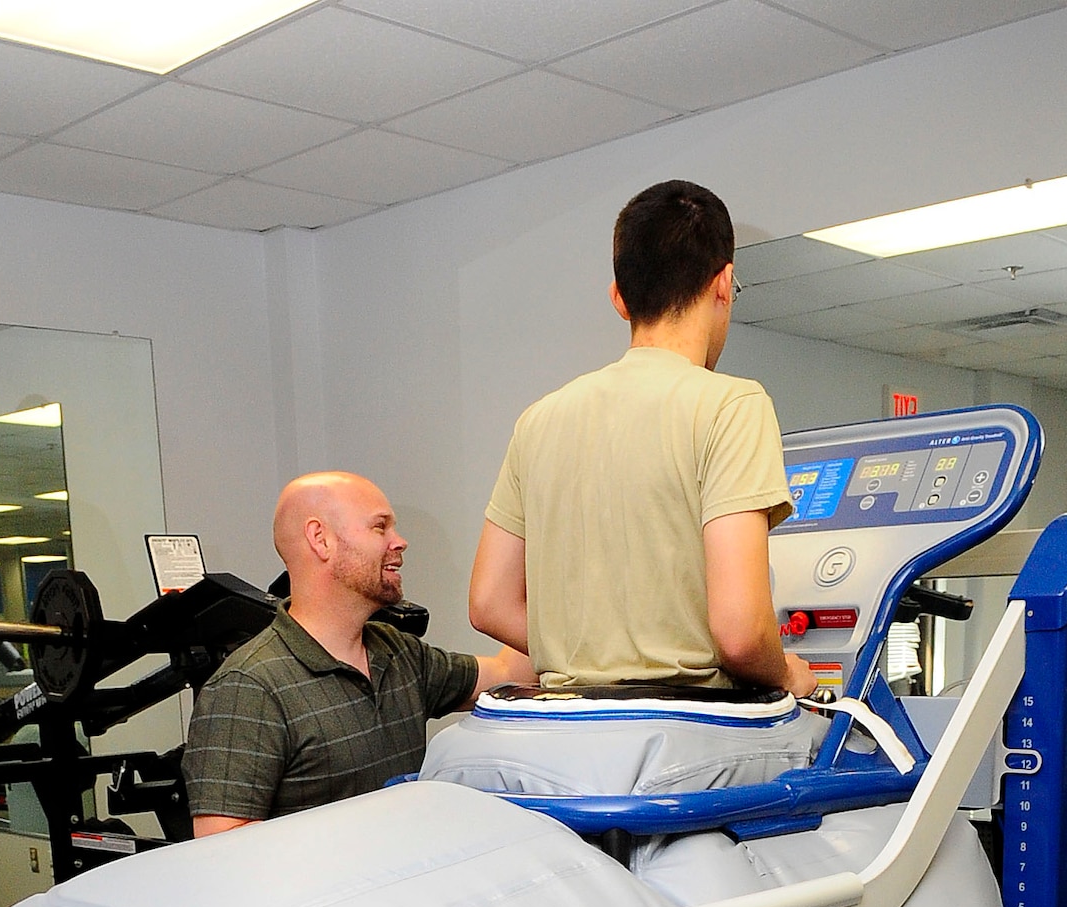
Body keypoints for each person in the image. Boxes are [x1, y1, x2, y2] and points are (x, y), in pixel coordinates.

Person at [468, 179, 816, 699]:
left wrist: (586, 656)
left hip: (564, 729)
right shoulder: (732, 405)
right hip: (686, 734)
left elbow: (489, 602)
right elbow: (741, 633)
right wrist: (791, 674)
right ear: (724, 283)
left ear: (619, 298)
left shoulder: (539, 419)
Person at [185, 471, 534, 835]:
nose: (399, 542)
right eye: (380, 527)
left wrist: (546, 567)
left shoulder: (398, 653)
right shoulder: (249, 688)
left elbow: (512, 671)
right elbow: (220, 846)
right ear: (321, 539)